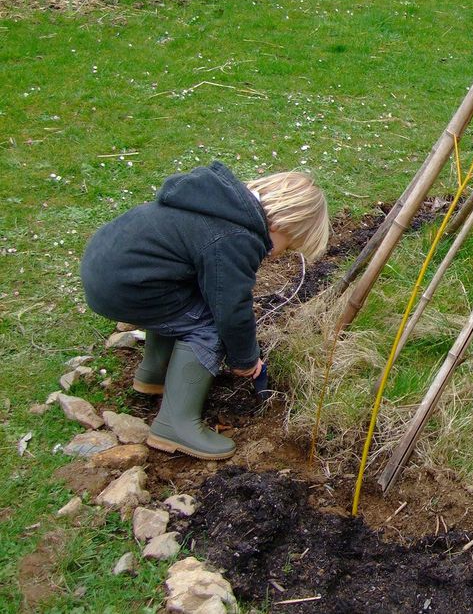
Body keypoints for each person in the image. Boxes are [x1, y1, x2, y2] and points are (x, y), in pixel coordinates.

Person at [81, 162, 329, 460]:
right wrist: (245, 359)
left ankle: (154, 375)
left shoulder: (217, 202)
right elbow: (232, 310)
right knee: (210, 324)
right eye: (287, 247)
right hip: (128, 288)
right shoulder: (238, 238)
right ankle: (174, 425)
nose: (278, 255)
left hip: (109, 268)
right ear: (280, 224)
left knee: (188, 303)